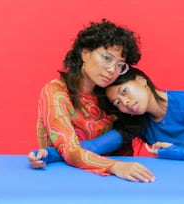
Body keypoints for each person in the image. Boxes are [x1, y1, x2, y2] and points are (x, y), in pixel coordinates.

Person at [28, 19, 155, 183]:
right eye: (107, 58)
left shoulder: (113, 96)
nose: (112, 70)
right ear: (85, 53)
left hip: (118, 182)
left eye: (120, 65)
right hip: (67, 178)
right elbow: (70, 150)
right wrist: (115, 166)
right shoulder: (56, 92)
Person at [34, 67, 184, 161]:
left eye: (125, 91)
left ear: (141, 81)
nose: (125, 103)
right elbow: (94, 148)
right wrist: (48, 155)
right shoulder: (138, 122)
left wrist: (176, 153)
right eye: (118, 102)